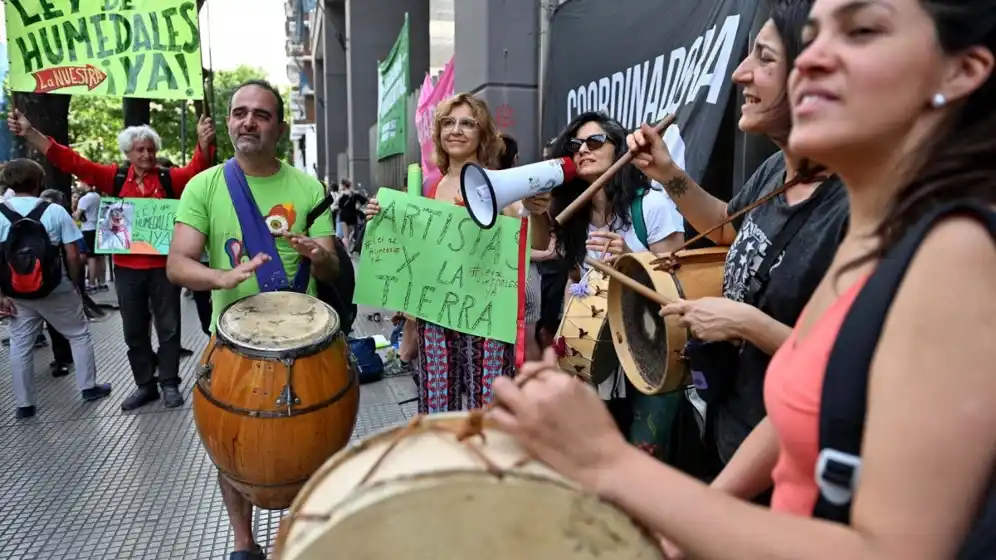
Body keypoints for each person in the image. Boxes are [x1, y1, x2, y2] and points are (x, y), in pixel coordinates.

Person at [491, 1, 996, 558]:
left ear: (962, 71)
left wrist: (608, 463)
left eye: (863, 30)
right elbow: (798, 404)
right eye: (811, 38)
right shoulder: (863, 222)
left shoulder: (958, 250)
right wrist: (696, 516)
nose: (812, 61)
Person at [629, 0, 847, 483]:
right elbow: (727, 227)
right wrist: (669, 175)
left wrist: (747, 323)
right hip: (734, 427)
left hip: (790, 460)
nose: (740, 74)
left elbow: (847, 371)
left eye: (765, 59)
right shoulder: (775, 171)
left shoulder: (854, 210)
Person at [167, 79, 338, 560]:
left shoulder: (308, 187)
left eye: (261, 115)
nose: (249, 121)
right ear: (228, 122)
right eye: (240, 112)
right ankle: (244, 543)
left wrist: (315, 254)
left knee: (306, 445)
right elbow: (178, 263)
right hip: (232, 343)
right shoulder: (204, 186)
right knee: (232, 445)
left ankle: (293, 534)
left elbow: (331, 265)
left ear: (279, 128)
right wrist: (220, 277)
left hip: (305, 346)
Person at [7, 110, 216, 411]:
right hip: (128, 270)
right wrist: (30, 133)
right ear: (128, 152)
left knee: (169, 328)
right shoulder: (115, 177)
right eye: (140, 149)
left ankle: (169, 383)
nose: (146, 154)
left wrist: (203, 141)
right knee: (134, 330)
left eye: (150, 149)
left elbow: (199, 168)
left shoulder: (169, 179)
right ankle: (146, 385)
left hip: (165, 269)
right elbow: (71, 160)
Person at [364, 93, 523, 413]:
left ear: (483, 133)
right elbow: (412, 251)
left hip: (486, 312)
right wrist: (382, 219)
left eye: (468, 123)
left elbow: (519, 241)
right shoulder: (424, 187)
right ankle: (443, 460)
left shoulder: (500, 184)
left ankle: (485, 462)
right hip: (435, 311)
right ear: (437, 132)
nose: (456, 130)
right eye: (448, 122)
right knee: (437, 404)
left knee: (488, 406)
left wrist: (498, 216)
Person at [547, 111, 685, 461]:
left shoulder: (652, 206)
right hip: (598, 354)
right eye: (575, 146)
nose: (583, 151)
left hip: (651, 349)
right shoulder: (573, 219)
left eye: (595, 142)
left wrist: (630, 259)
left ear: (620, 150)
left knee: (645, 456)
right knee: (599, 460)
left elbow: (678, 284)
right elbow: (574, 283)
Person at [0, 160, 112, 419]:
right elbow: (73, 254)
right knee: (78, 334)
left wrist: (2, 295)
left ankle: (24, 404)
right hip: (55, 287)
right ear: (39, 181)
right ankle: (88, 386)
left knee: (20, 345)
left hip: (17, 291)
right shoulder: (54, 211)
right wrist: (74, 283)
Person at [74, 183, 106, 292]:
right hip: (99, 228)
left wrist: (73, 213)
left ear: (84, 183)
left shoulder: (84, 199)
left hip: (88, 229)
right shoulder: (98, 196)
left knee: (91, 257)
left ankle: (91, 284)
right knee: (100, 257)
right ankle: (102, 282)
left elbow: (78, 215)